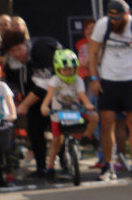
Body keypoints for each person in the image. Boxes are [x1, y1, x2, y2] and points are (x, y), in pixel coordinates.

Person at [86, 0, 132, 181]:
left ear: (126, 14)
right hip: (109, 80)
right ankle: (108, 165)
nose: (115, 21)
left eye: (118, 18)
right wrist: (94, 78)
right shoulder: (103, 25)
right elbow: (93, 53)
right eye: (112, 18)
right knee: (107, 122)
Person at [0, 27, 61, 180]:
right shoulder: (12, 61)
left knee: (59, 129)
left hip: (57, 93)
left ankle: (65, 164)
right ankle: (41, 168)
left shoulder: (41, 49)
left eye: (19, 49)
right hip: (33, 96)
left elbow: (45, 84)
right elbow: (11, 84)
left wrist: (24, 104)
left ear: (26, 43)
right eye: (12, 51)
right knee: (34, 130)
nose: (17, 54)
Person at [40, 49, 98, 179]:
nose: (69, 72)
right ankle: (50, 166)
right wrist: (44, 106)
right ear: (58, 69)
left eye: (71, 69)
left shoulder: (78, 80)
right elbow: (49, 95)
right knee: (56, 142)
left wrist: (88, 105)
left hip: (74, 113)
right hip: (58, 114)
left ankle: (85, 139)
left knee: (94, 117)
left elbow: (82, 95)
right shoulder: (55, 80)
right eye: (65, 69)